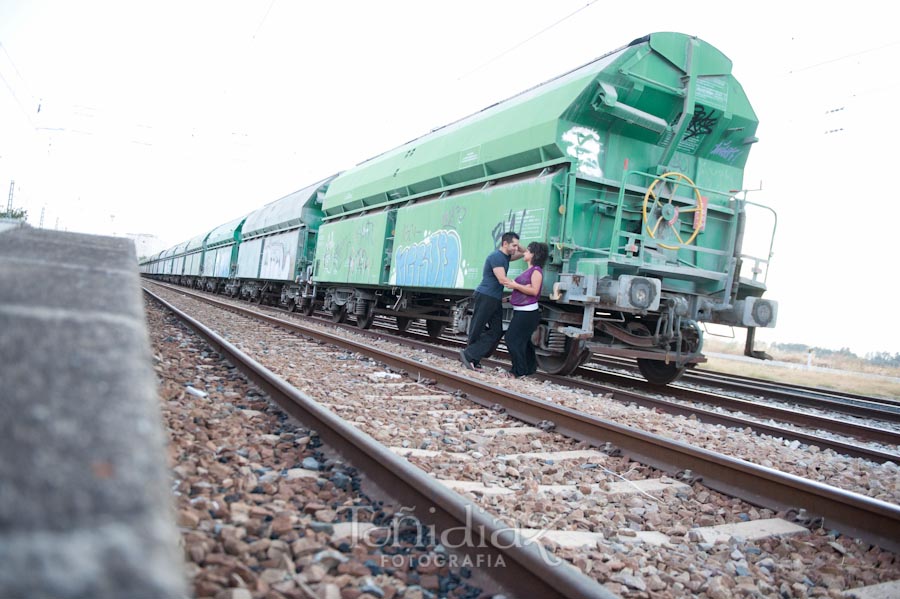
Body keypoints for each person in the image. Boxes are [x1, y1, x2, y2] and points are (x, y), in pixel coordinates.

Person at [459, 232, 523, 370]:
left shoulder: (506, 257)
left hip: (494, 298)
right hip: (486, 295)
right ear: (505, 244)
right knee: (477, 328)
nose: (516, 248)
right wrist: (520, 288)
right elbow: (502, 279)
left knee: (496, 331)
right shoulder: (496, 257)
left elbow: (524, 253)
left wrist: (519, 246)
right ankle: (471, 359)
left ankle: (470, 355)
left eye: (517, 246)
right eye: (513, 245)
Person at [502, 241, 548, 378]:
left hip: (528, 312)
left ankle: (518, 371)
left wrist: (515, 285)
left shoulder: (536, 271)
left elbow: (534, 291)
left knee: (511, 339)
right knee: (524, 341)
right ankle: (529, 368)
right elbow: (523, 292)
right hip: (522, 310)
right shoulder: (529, 270)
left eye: (527, 251)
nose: (524, 253)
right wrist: (508, 299)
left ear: (534, 254)